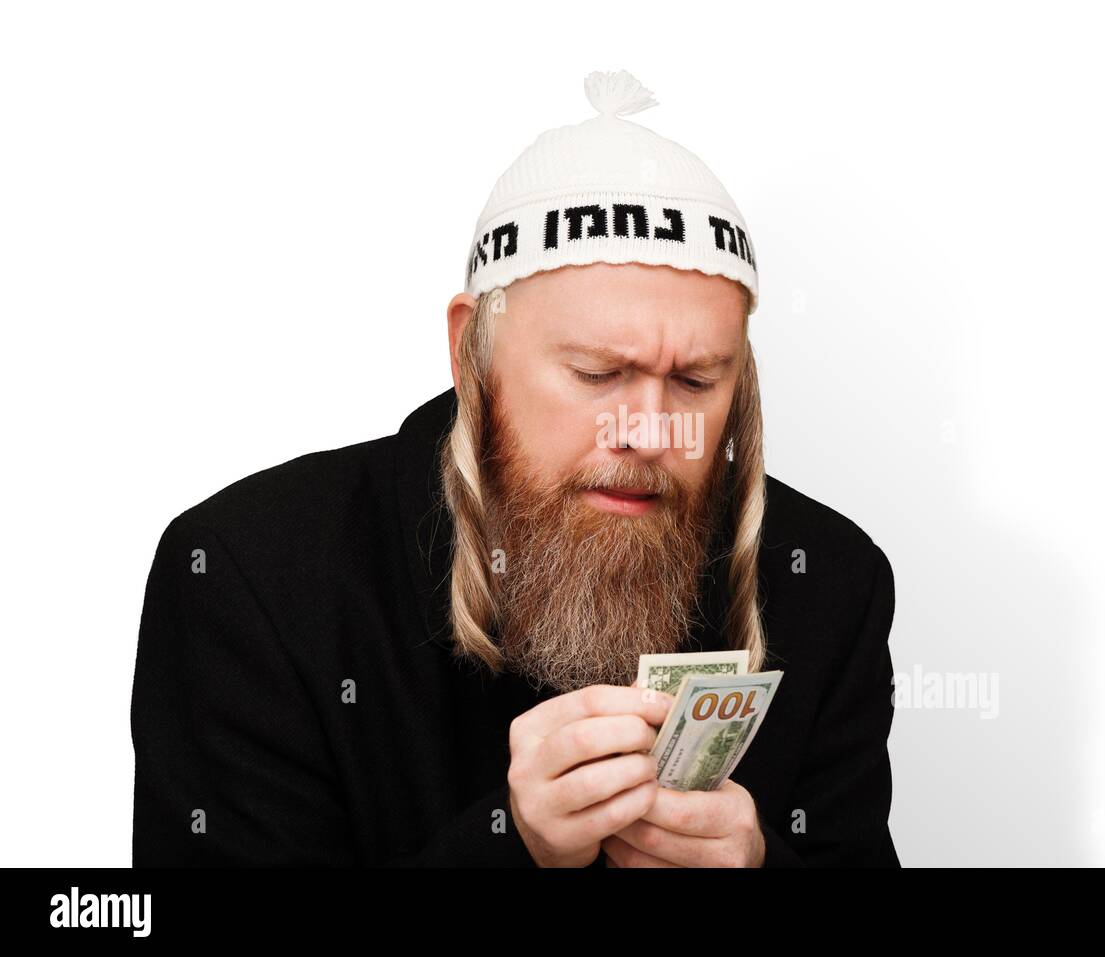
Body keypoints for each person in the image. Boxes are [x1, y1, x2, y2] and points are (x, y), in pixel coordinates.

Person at [130, 69, 900, 867]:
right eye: (598, 375)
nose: (645, 428)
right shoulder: (253, 576)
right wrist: (506, 847)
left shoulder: (830, 581)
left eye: (696, 381)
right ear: (473, 354)